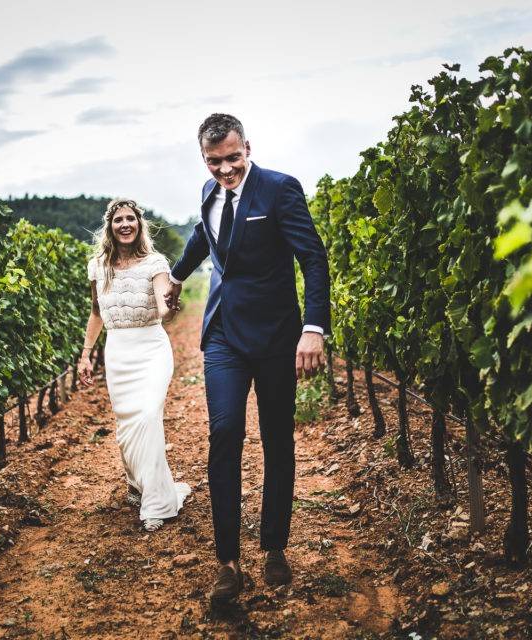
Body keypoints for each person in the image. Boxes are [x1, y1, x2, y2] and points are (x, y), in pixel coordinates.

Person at [165, 113, 331, 604]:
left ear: (248, 148)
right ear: (204, 158)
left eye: (232, 158)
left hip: (279, 336)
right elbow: (205, 236)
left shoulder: (280, 190)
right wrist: (176, 277)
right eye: (214, 162)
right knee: (224, 432)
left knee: (277, 439)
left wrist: (313, 328)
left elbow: (313, 258)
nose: (225, 170)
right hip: (224, 337)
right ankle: (227, 561)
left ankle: (274, 547)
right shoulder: (208, 191)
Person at [77, 198, 190, 532]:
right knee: (127, 423)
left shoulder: (155, 262)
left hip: (151, 347)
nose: (124, 224)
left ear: (139, 225)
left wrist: (171, 305)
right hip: (118, 350)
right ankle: (138, 483)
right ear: (110, 227)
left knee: (147, 416)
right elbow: (96, 312)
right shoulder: (97, 266)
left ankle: (158, 502)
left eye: (130, 219)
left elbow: (163, 308)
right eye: (118, 220)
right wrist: (85, 354)